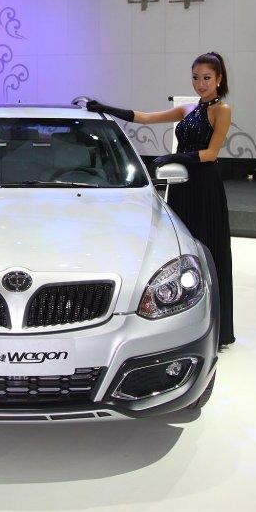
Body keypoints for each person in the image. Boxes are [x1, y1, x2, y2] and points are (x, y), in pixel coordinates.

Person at [87, 51, 234, 347]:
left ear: (219, 79)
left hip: (204, 186)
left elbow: (211, 153)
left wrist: (174, 156)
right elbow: (145, 118)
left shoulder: (222, 110)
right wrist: (106, 108)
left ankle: (215, 329)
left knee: (207, 250)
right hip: (180, 183)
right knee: (180, 249)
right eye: (196, 78)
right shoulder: (188, 109)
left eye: (207, 78)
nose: (201, 84)